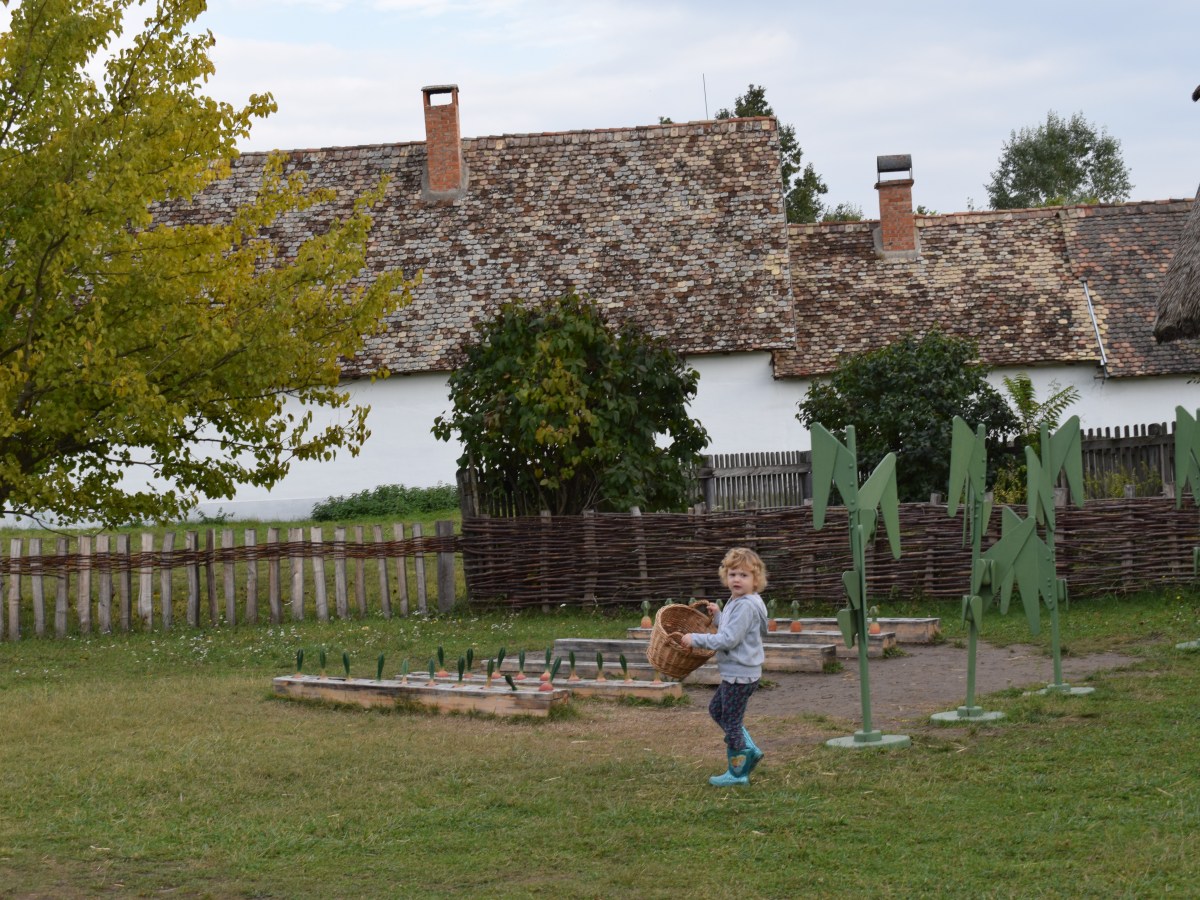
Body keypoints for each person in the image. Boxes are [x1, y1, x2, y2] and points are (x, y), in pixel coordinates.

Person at [678, 547, 770, 787]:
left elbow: (729, 639)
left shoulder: (746, 605)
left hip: (740, 674)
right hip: (739, 672)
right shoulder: (738, 600)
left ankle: (738, 772)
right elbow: (733, 628)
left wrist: (695, 639)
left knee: (730, 722)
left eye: (744, 575)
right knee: (717, 710)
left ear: (755, 580)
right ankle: (749, 749)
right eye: (732, 574)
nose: (737, 579)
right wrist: (719, 616)